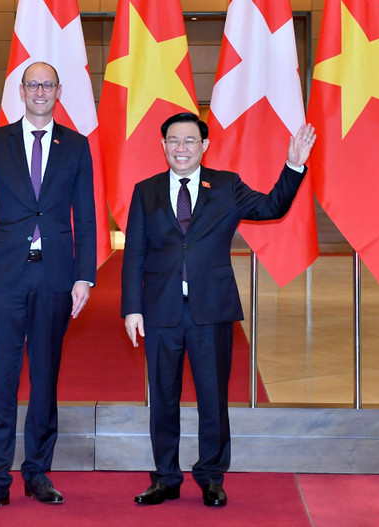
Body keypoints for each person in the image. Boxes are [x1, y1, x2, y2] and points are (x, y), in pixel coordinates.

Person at [121, 112, 315, 507]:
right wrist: (132, 308)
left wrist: (294, 165)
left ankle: (211, 476)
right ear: (163, 146)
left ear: (204, 146)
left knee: (213, 397)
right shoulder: (146, 191)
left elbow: (271, 207)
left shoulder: (226, 186)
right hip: (161, 312)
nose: (181, 148)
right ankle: (165, 478)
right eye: (173, 140)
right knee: (163, 397)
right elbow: (134, 254)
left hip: (211, 310)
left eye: (190, 141)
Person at [0, 61, 97, 513]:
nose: (40, 92)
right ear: (21, 92)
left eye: (48, 85)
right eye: (33, 85)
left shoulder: (77, 147)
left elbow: (84, 216)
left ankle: (38, 473)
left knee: (45, 378)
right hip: (5, 278)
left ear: (58, 91)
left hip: (55, 278)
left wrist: (84, 275)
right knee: (3, 380)